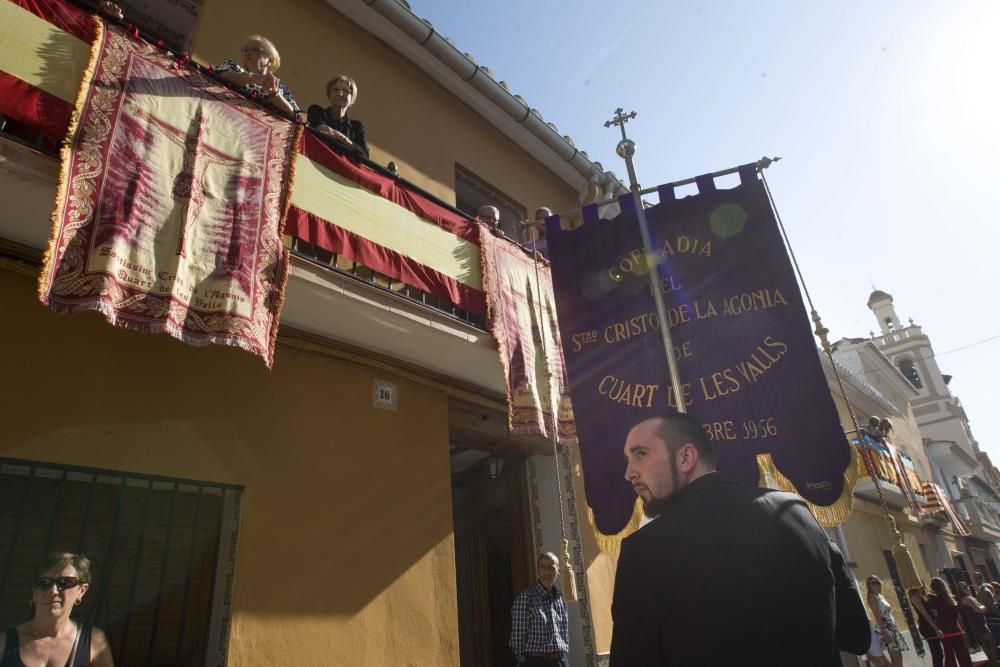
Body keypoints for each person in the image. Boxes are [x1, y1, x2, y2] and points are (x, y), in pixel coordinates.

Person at [610, 413, 871, 666]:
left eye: (640, 454)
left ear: (686, 457)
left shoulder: (644, 551)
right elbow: (857, 635)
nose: (629, 472)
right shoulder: (795, 511)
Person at [0, 552, 113, 666]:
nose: (53, 591)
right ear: (34, 592)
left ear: (82, 591)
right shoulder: (4, 642)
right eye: (44, 582)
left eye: (65, 582)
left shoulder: (93, 641)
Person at [213, 35, 299, 116]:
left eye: (255, 49)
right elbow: (218, 76)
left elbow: (295, 115)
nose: (248, 53)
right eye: (245, 50)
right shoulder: (233, 67)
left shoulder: (281, 88)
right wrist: (252, 78)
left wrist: (274, 93)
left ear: (270, 60)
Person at [509, 552, 570, 666]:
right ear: (537, 571)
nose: (547, 572)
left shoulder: (561, 598)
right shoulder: (525, 599)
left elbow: (564, 633)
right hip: (537, 661)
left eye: (551, 567)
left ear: (558, 571)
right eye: (543, 567)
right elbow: (517, 641)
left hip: (560, 661)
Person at [307, 75, 368, 158]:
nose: (340, 93)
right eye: (335, 90)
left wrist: (341, 137)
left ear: (352, 100)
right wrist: (350, 145)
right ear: (329, 94)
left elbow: (364, 154)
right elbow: (321, 130)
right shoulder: (316, 111)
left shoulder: (357, 127)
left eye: (346, 91)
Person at [927, 577, 973, 667]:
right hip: (956, 628)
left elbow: (934, 616)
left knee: (949, 655)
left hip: (944, 630)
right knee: (963, 653)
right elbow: (956, 615)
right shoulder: (952, 599)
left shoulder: (932, 600)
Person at [865, 575, 908, 666]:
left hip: (892, 627)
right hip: (886, 628)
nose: (876, 584)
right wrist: (884, 632)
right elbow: (877, 616)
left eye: (878, 582)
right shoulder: (872, 597)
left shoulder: (880, 595)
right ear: (869, 585)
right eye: (873, 583)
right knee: (895, 656)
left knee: (899, 656)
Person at [958, 581, 999, 664]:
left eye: (966, 586)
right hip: (978, 622)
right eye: (964, 587)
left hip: (977, 621)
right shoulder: (967, 598)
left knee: (985, 641)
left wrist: (980, 606)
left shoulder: (968, 597)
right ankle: (994, 661)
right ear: (961, 590)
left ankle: (991, 661)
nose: (967, 588)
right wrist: (983, 607)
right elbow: (980, 609)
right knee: (992, 640)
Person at [910, 583, 945, 667]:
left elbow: (929, 609)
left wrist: (934, 612)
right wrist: (936, 628)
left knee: (940, 653)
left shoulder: (924, 593)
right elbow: (924, 614)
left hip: (933, 624)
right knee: (937, 653)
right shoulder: (914, 597)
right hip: (926, 627)